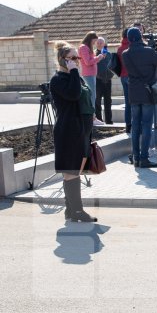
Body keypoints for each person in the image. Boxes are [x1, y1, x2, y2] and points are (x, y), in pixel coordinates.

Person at [50, 42, 97, 222]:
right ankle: (77, 212)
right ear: (63, 60)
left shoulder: (74, 77)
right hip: (68, 131)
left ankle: (70, 210)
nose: (77, 61)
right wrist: (75, 72)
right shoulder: (58, 80)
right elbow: (73, 94)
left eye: (77, 58)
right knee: (71, 171)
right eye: (73, 58)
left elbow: (85, 98)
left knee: (74, 170)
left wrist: (93, 116)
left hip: (81, 130)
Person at [122, 27, 157, 167]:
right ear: (140, 36)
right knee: (147, 125)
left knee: (135, 126)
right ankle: (144, 158)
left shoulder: (125, 53)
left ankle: (136, 157)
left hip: (134, 92)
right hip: (147, 91)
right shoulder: (148, 51)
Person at [78, 31, 107, 126]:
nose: (95, 44)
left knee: (92, 96)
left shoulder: (86, 48)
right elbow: (87, 62)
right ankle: (92, 118)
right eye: (94, 41)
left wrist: (99, 57)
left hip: (91, 74)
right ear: (90, 39)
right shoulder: (84, 48)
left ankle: (92, 117)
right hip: (88, 75)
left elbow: (91, 61)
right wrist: (98, 57)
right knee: (91, 96)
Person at [94, 37, 114, 124]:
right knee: (97, 100)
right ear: (95, 44)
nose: (99, 44)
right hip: (98, 80)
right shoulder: (94, 54)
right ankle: (99, 119)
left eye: (101, 43)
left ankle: (109, 120)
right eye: (98, 43)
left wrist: (111, 74)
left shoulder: (108, 54)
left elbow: (113, 65)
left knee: (108, 100)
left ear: (104, 44)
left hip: (107, 80)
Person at [117, 28, 132, 133]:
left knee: (127, 102)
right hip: (131, 76)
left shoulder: (120, 48)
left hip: (123, 76)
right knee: (135, 102)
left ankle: (128, 125)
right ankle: (135, 123)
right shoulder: (131, 47)